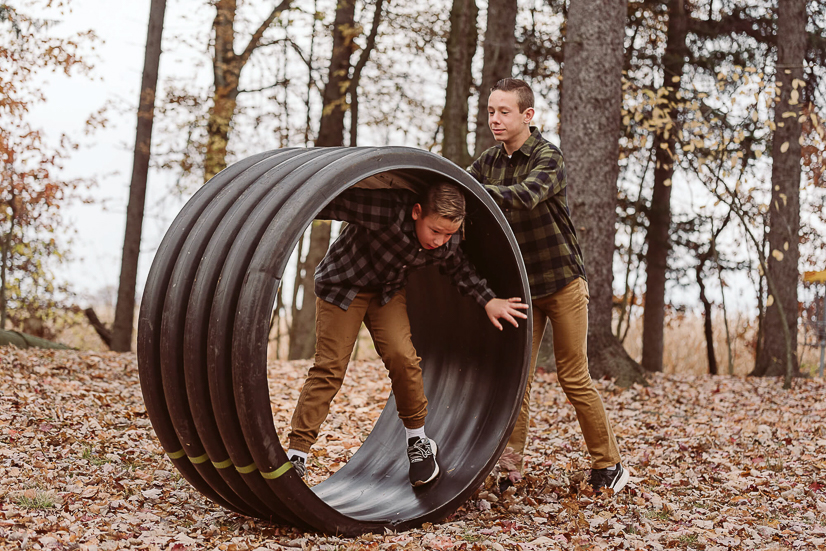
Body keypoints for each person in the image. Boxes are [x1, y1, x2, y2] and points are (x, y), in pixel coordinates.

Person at [287, 182, 528, 486]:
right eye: (435, 231)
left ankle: (418, 442)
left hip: (386, 293)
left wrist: (488, 300)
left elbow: (459, 269)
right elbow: (332, 200)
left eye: (449, 234)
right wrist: (286, 204)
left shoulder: (446, 243)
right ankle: (297, 454)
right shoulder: (385, 210)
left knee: (404, 358)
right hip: (342, 286)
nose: (440, 241)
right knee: (330, 368)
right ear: (417, 212)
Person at [468, 78, 629, 495]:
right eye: (491, 111)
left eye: (504, 112)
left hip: (562, 283)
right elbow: (460, 193)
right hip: (521, 288)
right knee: (517, 380)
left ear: (527, 115)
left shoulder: (548, 156)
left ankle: (608, 463)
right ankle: (510, 468)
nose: (495, 119)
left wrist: (476, 193)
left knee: (574, 376)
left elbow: (526, 195)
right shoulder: (487, 161)